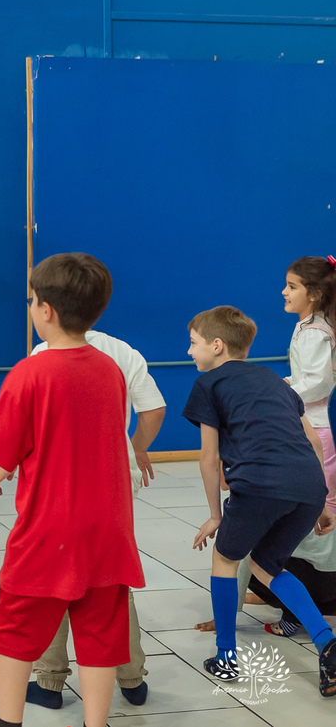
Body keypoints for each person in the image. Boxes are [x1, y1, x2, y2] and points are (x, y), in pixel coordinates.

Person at [0, 253, 145, 727]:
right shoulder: (110, 370)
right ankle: (97, 722)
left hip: (48, 529)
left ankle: (8, 722)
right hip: (108, 528)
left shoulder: (31, 372)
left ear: (45, 310)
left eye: (31, 301)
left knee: (15, 629)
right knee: (100, 633)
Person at [183, 304, 336, 696]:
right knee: (267, 563)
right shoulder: (274, 379)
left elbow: (208, 457)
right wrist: (319, 501)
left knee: (224, 557)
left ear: (217, 346)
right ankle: (327, 643)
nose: (189, 352)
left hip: (259, 484)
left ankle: (226, 657)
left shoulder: (208, 384)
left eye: (194, 343)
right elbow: (313, 442)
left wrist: (215, 515)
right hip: (308, 485)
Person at [25, 329, 165, 710]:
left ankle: (51, 682)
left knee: (56, 579)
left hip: (59, 485)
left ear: (48, 309)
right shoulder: (122, 350)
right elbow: (153, 408)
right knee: (113, 580)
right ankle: (132, 679)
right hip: (113, 483)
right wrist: (133, 449)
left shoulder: (44, 354)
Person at [282, 256, 336, 513]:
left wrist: (283, 393)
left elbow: (320, 382)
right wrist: (290, 382)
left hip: (319, 425)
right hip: (314, 423)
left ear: (314, 294)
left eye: (292, 287)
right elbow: (310, 374)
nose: (284, 292)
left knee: (324, 496)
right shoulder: (309, 326)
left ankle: (324, 552)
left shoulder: (314, 331)